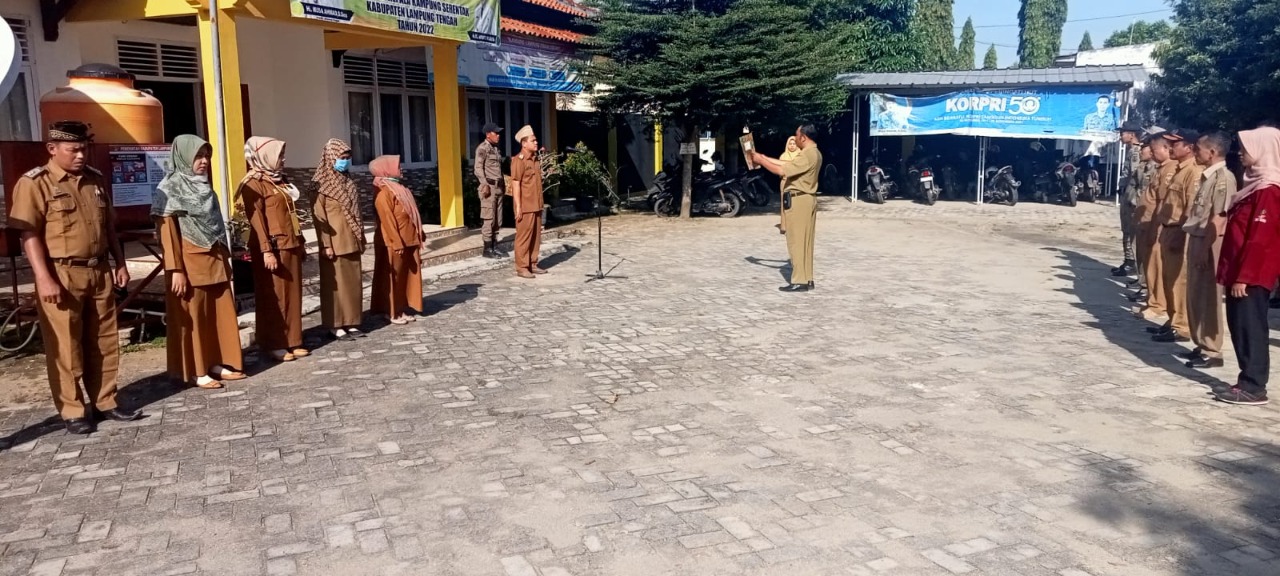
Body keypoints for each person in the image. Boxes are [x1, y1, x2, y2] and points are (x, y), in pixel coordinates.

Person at [9, 121, 142, 433]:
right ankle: (73, 410)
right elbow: (29, 235)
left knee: (104, 340)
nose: (80, 155)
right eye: (73, 150)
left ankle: (105, 401)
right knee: (66, 345)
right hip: (61, 272)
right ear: (52, 149)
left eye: (83, 149)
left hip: (98, 271)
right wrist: (42, 277)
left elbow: (108, 226)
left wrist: (120, 262)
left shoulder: (95, 180)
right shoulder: (35, 183)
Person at [153, 135, 246, 389]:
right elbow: (168, 235)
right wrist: (175, 270)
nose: (204, 162)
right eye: (197, 157)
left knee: (217, 314)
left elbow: (217, 224)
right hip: (190, 262)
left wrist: (226, 258)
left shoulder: (204, 186)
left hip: (214, 258)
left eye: (206, 156)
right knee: (194, 315)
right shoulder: (169, 189)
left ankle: (216, 361)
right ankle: (197, 369)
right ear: (183, 157)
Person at [1215, 126, 1280, 406]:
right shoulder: (1253, 186)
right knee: (1239, 324)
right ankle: (1246, 380)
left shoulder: (1269, 190)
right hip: (1239, 271)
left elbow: (1260, 240)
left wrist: (1245, 277)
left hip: (1251, 275)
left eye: (1247, 147)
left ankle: (1254, 385)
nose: (1240, 153)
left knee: (1250, 327)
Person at [239, 136, 309, 363]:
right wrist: (266, 250)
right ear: (264, 156)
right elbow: (256, 220)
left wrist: (301, 242)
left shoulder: (279, 180)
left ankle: (293, 339)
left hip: (290, 244)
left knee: (293, 294)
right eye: (279, 155)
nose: (283, 159)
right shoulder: (252, 183)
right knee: (274, 297)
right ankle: (273, 343)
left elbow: (292, 214)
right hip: (272, 247)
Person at [1181, 132, 1236, 369]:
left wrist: (1204, 250)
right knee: (1196, 294)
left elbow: (1219, 217)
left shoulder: (1223, 178)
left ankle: (1212, 349)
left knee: (1209, 296)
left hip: (1210, 241)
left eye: (1200, 149)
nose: (1196, 152)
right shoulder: (1208, 176)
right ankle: (1201, 343)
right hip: (1198, 237)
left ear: (1212, 152)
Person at [751, 124, 823, 293]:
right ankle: (807, 277)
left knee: (797, 241)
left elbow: (782, 170)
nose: (795, 138)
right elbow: (786, 163)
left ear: (803, 137)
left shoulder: (807, 154)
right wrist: (764, 156)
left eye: (797, 135)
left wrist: (761, 161)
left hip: (799, 200)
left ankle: (799, 280)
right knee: (806, 242)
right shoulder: (813, 152)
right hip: (806, 199)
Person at [1151, 129, 1204, 343]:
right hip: (1169, 229)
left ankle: (1181, 325)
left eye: (1176, 144)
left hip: (1179, 233)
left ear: (1189, 148)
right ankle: (1172, 319)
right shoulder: (1180, 169)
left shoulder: (1193, 172)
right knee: (1168, 280)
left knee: (1179, 282)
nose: (1172, 147)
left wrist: (1181, 234)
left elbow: (1191, 209)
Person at [310, 139, 366, 342]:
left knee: (352, 285)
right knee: (335, 287)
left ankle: (351, 322)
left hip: (351, 239)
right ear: (331, 157)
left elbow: (357, 212)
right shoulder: (319, 185)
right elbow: (320, 218)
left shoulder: (348, 181)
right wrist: (325, 244)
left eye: (347, 159)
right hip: (334, 243)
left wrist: (361, 236)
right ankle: (336, 325)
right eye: (341, 158)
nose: (344, 162)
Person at [371, 155, 424, 323]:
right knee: (393, 279)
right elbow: (387, 220)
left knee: (404, 278)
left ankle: (401, 308)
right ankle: (392, 312)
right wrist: (396, 241)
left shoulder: (399, 188)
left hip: (408, 239)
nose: (401, 169)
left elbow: (411, 213)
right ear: (386, 169)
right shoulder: (383, 193)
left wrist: (419, 233)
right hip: (393, 243)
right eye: (397, 166)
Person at [1135, 134, 1178, 320]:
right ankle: (1151, 299)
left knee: (1155, 266)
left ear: (1166, 148)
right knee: (1148, 265)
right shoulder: (1161, 169)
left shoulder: (1170, 170)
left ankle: (1157, 304)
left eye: (1155, 150)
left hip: (1155, 225)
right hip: (1146, 223)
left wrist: (1155, 227)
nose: (1152, 153)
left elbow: (1162, 201)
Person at [509, 125, 546, 279]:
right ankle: (522, 267)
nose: (536, 142)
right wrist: (518, 206)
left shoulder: (535, 159)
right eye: (533, 140)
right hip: (525, 206)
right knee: (524, 236)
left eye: (536, 140)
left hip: (536, 203)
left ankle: (533, 263)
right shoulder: (519, 160)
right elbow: (515, 183)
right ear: (524, 143)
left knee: (536, 236)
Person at [1112, 121, 1144, 277]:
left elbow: (1136, 176)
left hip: (1132, 197)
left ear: (1131, 134)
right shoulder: (1131, 150)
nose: (1120, 136)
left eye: (1122, 133)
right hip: (1126, 194)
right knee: (1126, 230)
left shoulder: (1137, 152)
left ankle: (1132, 262)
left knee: (1131, 231)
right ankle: (1128, 260)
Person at [474, 122, 506, 259]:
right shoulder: (483, 148)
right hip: (489, 188)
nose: (498, 135)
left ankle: (494, 245)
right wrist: (484, 184)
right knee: (489, 219)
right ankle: (487, 249)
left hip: (498, 187)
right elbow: (478, 168)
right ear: (488, 134)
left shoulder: (496, 149)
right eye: (496, 133)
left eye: (499, 133)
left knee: (498, 219)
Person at [777, 136, 800, 235]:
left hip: (798, 183)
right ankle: (784, 227)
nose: (792, 146)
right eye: (790, 144)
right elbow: (779, 169)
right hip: (785, 182)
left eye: (794, 143)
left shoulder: (801, 155)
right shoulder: (783, 156)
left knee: (797, 205)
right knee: (786, 204)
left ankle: (796, 226)